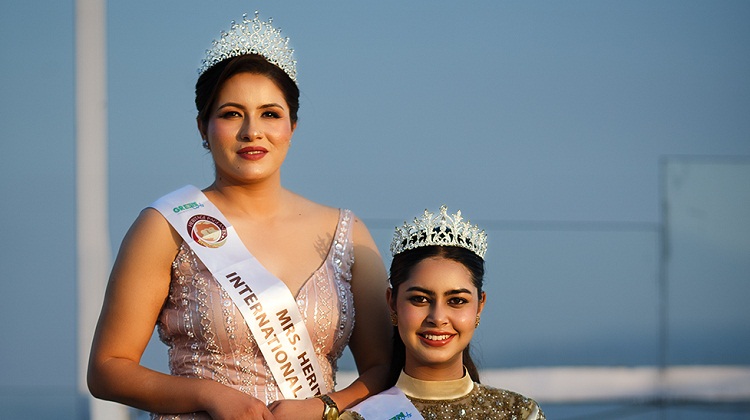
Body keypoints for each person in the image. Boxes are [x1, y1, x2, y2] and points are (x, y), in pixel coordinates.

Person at [87, 12, 391, 420]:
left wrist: (323, 407)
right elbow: (107, 369)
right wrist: (209, 395)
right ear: (203, 127)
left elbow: (383, 368)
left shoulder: (346, 233)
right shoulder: (166, 226)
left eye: (270, 114)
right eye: (231, 113)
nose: (252, 131)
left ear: (292, 126)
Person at [342, 206, 544, 419]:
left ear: (479, 306)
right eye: (420, 299)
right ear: (392, 303)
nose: (438, 318)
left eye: (456, 301)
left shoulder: (520, 413)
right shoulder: (363, 417)